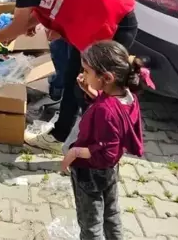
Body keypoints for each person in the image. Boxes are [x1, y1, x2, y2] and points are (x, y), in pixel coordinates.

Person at [0, 0, 138, 153]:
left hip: (112, 24)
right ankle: (62, 137)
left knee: (91, 92)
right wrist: (40, 22)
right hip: (99, 21)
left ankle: (96, 151)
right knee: (73, 80)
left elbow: (16, 27)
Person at [61, 41, 148, 240]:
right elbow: (112, 117)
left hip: (90, 171)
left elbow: (107, 151)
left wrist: (75, 153)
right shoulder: (127, 97)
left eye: (87, 71)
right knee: (111, 214)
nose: (84, 74)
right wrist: (91, 91)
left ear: (106, 77)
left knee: (90, 223)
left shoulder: (105, 111)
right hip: (109, 172)